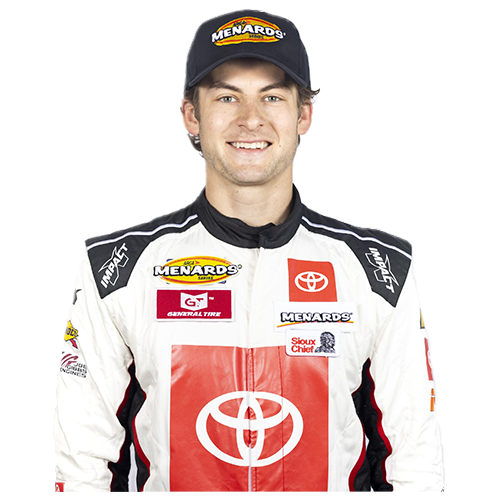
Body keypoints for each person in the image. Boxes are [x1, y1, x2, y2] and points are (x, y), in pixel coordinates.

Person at [53, 9, 444, 492]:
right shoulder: (118, 272)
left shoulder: (378, 272)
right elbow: (82, 472)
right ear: (191, 115)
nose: (251, 119)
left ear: (303, 114)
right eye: (226, 97)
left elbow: (413, 471)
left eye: (272, 96)